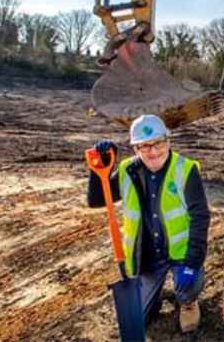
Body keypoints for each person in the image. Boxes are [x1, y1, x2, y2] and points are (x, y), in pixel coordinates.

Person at [86, 114, 210, 333]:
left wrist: (192, 262)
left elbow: (201, 217)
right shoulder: (127, 170)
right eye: (145, 146)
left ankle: (188, 302)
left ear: (168, 141)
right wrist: (99, 172)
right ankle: (155, 294)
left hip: (181, 254)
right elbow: (96, 200)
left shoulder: (185, 169)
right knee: (140, 319)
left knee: (187, 286)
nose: (153, 151)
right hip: (148, 257)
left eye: (158, 143)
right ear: (136, 149)